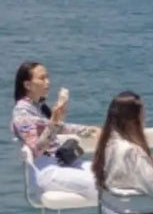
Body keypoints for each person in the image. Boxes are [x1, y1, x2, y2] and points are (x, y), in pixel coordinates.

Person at [11, 61, 100, 200]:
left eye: (47, 77)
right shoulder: (22, 113)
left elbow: (61, 128)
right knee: (98, 184)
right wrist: (54, 122)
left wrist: (88, 130)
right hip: (46, 170)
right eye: (42, 78)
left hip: (63, 163)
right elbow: (37, 148)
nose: (48, 82)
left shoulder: (38, 108)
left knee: (110, 175)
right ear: (27, 85)